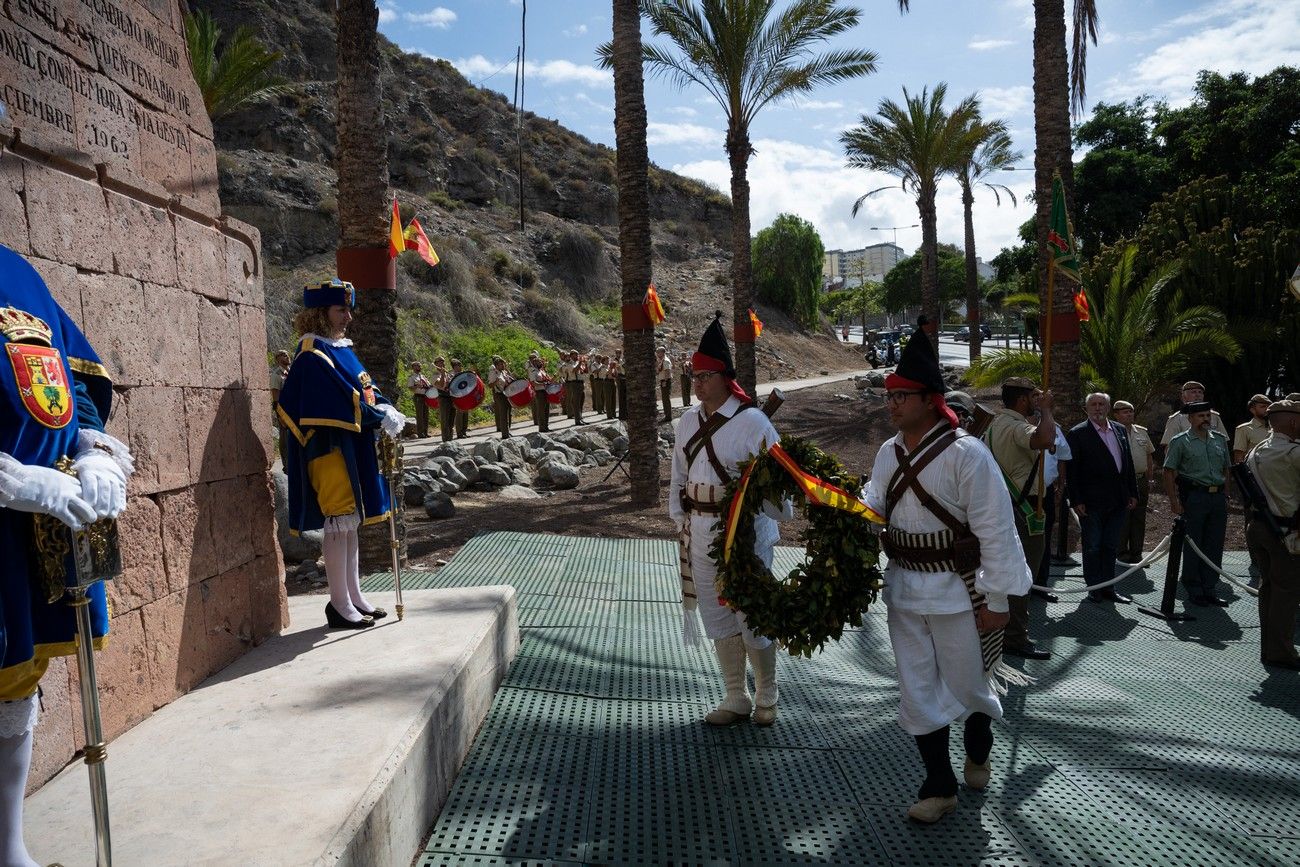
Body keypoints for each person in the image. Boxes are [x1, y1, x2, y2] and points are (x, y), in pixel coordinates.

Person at [0, 244, 134, 866]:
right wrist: (8, 478)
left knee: (14, 683)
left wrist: (89, 446)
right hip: (15, 496)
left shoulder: (16, 270)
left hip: (36, 522)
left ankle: (9, 847)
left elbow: (70, 377)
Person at [863, 331, 1031, 825]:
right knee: (916, 689)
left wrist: (997, 598)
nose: (892, 404)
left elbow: (996, 531)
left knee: (969, 685)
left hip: (962, 591)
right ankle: (939, 785)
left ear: (930, 401)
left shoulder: (968, 456)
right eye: (889, 395)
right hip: (904, 588)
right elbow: (875, 501)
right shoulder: (887, 454)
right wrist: (839, 506)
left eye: (901, 396)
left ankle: (978, 743)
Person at [668, 314, 786, 727]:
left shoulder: (755, 422)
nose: (696, 383)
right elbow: (679, 476)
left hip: (746, 533)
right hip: (700, 530)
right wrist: (679, 518)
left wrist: (767, 511)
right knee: (717, 616)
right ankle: (735, 695)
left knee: (750, 612)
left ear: (724, 377)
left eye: (704, 375)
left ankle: (767, 693)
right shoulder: (687, 421)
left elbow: (777, 484)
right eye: (693, 375)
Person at [278, 279, 406, 629]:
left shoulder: (339, 348)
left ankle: (354, 594)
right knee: (339, 523)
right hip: (329, 449)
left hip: (350, 445)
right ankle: (338, 603)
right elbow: (338, 402)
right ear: (320, 313)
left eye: (349, 308)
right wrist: (379, 415)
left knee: (350, 525)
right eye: (341, 309)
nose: (348, 316)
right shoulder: (311, 355)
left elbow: (364, 387)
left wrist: (385, 405)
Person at [982, 377, 1057, 659]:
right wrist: (1047, 412)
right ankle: (1014, 637)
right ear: (1023, 400)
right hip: (1024, 509)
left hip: (1003, 506)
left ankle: (1003, 632)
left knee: (1005, 574)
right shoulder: (1015, 426)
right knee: (1022, 576)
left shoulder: (993, 425)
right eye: (1035, 397)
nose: (1039, 400)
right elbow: (1046, 439)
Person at [1066, 393, 1139, 604]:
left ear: (1108, 407)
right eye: (1093, 404)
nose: (1097, 408)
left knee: (1110, 546)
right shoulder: (1078, 433)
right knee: (1093, 546)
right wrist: (1076, 499)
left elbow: (1128, 464)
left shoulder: (1119, 429)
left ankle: (1109, 587)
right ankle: (1094, 588)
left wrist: (1133, 492)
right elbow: (1073, 472)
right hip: (1091, 502)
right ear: (1086, 408)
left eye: (1101, 404)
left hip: (1118, 500)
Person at [1244, 400, 1300, 670]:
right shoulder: (1294, 453)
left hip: (1259, 527)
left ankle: (1269, 649)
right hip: (1286, 532)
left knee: (1268, 589)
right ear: (1294, 422)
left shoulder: (1257, 450)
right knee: (1286, 593)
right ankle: (1281, 652)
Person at [1163, 401, 1232, 606]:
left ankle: (1209, 587)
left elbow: (1227, 469)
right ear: (1190, 419)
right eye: (1201, 416)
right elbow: (1169, 471)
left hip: (1217, 498)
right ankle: (1193, 587)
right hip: (1194, 497)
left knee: (1214, 543)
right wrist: (1174, 501)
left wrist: (1226, 495)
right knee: (1193, 543)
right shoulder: (1180, 441)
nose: (1205, 419)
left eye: (1207, 416)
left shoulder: (1219, 440)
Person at [1113, 400, 1155, 565]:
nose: (1129, 414)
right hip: (1121, 482)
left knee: (1139, 516)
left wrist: (1150, 478)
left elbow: (1149, 456)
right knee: (1123, 517)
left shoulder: (1142, 432)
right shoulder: (1112, 432)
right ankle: (1121, 552)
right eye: (1124, 412)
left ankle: (1137, 553)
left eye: (1130, 411)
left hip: (1140, 480)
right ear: (1116, 414)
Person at [1033, 412, 1069, 601]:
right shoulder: (1014, 428)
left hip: (1046, 492)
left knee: (1044, 538)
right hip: (1020, 494)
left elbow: (1062, 457)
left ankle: (1041, 584)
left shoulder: (1056, 430)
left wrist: (1061, 487)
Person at [1160, 381, 1229, 446]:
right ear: (1184, 397)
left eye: (1200, 392)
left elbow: (1223, 442)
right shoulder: (1177, 419)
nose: (1197, 395)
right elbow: (1170, 446)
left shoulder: (1213, 416)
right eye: (1193, 392)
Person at [1234, 395, 1273, 463]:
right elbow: (1239, 459)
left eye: (1268, 406)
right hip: (1254, 471)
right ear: (1253, 410)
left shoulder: (1275, 429)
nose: (1267, 409)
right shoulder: (1244, 429)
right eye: (1263, 406)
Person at [271, 349, 292, 458]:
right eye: (283, 355)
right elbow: (275, 398)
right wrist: (280, 416)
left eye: (287, 354)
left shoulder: (292, 372)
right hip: (285, 412)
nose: (287, 356)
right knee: (285, 438)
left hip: (296, 410)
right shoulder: (276, 375)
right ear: (278, 359)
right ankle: (287, 466)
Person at [487, 355, 513, 438]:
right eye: (501, 364)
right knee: (503, 414)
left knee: (508, 413)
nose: (503, 365)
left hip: (507, 394)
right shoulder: (493, 373)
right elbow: (490, 385)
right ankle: (505, 434)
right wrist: (496, 382)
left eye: (503, 364)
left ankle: (508, 431)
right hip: (500, 394)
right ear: (497, 365)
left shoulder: (504, 372)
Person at [406, 361, 431, 439]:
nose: (419, 367)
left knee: (426, 415)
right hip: (418, 396)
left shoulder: (423, 376)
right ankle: (420, 433)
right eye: (417, 366)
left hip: (425, 396)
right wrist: (416, 386)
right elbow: (410, 387)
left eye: (420, 366)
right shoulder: (412, 377)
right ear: (413, 367)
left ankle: (425, 432)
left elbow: (428, 385)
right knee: (420, 415)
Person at [431, 356, 453, 443]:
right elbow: (440, 385)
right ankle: (445, 440)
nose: (442, 364)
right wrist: (443, 374)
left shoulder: (448, 374)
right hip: (442, 397)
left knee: (451, 419)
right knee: (445, 419)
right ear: (436, 364)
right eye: (440, 362)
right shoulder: (435, 375)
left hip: (450, 397)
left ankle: (450, 438)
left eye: (443, 362)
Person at [528, 354, 552, 433]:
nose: (541, 363)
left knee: (546, 410)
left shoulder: (542, 370)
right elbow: (533, 382)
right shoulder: (532, 371)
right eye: (539, 362)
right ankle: (542, 428)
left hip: (546, 391)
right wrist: (542, 384)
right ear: (535, 363)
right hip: (539, 392)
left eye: (541, 362)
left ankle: (546, 426)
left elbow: (548, 379)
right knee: (541, 410)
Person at [449, 358, 469, 439]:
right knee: (459, 414)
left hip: (465, 395)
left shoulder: (463, 374)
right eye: (458, 366)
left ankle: (464, 431)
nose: (460, 367)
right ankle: (459, 433)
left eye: (460, 365)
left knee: (465, 414)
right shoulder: (451, 374)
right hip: (457, 396)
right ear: (454, 367)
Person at [656, 345, 674, 423]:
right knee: (664, 399)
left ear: (662, 353)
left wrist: (665, 382)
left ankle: (668, 416)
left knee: (666, 399)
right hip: (663, 380)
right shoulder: (662, 361)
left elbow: (667, 371)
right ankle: (667, 415)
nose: (657, 354)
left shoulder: (666, 361)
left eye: (658, 352)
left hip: (665, 381)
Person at [569, 350, 587, 425]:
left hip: (581, 383)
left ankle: (580, 418)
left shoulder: (579, 363)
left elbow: (585, 371)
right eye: (576, 355)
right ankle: (577, 420)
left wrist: (585, 363)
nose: (577, 356)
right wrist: (580, 362)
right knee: (576, 402)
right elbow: (574, 370)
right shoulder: (570, 363)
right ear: (572, 355)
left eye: (577, 354)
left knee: (581, 402)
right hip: (575, 383)